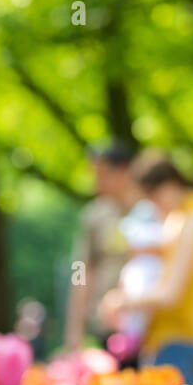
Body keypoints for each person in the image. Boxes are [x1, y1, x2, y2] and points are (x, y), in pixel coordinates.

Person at [99, 153, 193, 385]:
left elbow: (170, 294)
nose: (154, 208)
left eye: (152, 199)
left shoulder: (190, 221)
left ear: (169, 186)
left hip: (179, 339)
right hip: (183, 339)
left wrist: (120, 301)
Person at [63, 140, 140, 354]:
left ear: (124, 171)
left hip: (146, 322)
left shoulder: (151, 210)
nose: (96, 183)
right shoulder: (94, 215)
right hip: (106, 324)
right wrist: (74, 332)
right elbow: (81, 271)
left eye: (103, 174)